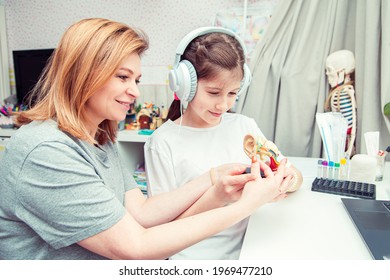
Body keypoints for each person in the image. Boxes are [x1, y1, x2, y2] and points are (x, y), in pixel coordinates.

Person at [0, 18, 293, 260]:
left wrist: (213, 178)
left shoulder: (98, 137)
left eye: (136, 80)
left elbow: (140, 212)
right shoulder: (45, 151)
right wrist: (246, 205)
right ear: (83, 74)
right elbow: (136, 247)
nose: (135, 92)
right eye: (123, 77)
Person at [144, 27, 303, 260]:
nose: (223, 105)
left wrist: (287, 181)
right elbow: (162, 230)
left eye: (232, 94)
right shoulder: (162, 142)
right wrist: (217, 198)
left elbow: (291, 172)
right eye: (214, 92)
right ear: (184, 85)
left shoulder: (244, 126)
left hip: (251, 249)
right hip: (195, 259)